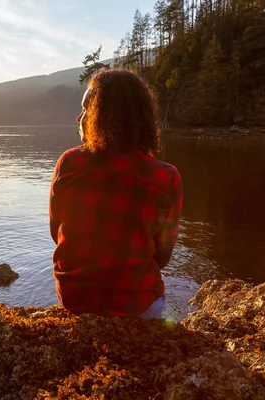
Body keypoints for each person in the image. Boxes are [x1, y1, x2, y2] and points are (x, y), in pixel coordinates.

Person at [49, 68, 183, 319]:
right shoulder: (166, 177)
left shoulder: (70, 163)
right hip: (136, 306)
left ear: (103, 115)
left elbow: (56, 233)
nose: (79, 118)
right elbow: (162, 255)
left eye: (87, 109)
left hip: (75, 301)